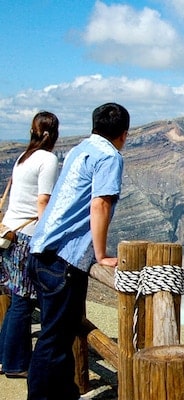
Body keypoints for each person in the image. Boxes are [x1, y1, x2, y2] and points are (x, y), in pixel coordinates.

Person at [27, 102, 130, 400]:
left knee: (57, 335)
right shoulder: (110, 156)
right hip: (64, 258)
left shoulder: (79, 148)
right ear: (123, 134)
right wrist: (100, 256)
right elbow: (100, 203)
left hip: (43, 250)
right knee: (53, 341)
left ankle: (65, 393)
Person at [0, 111, 60, 378]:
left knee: (16, 300)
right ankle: (15, 365)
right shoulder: (48, 159)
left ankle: (5, 357)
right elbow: (42, 202)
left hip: (11, 233)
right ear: (54, 133)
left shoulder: (23, 158)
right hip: (27, 236)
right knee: (23, 301)